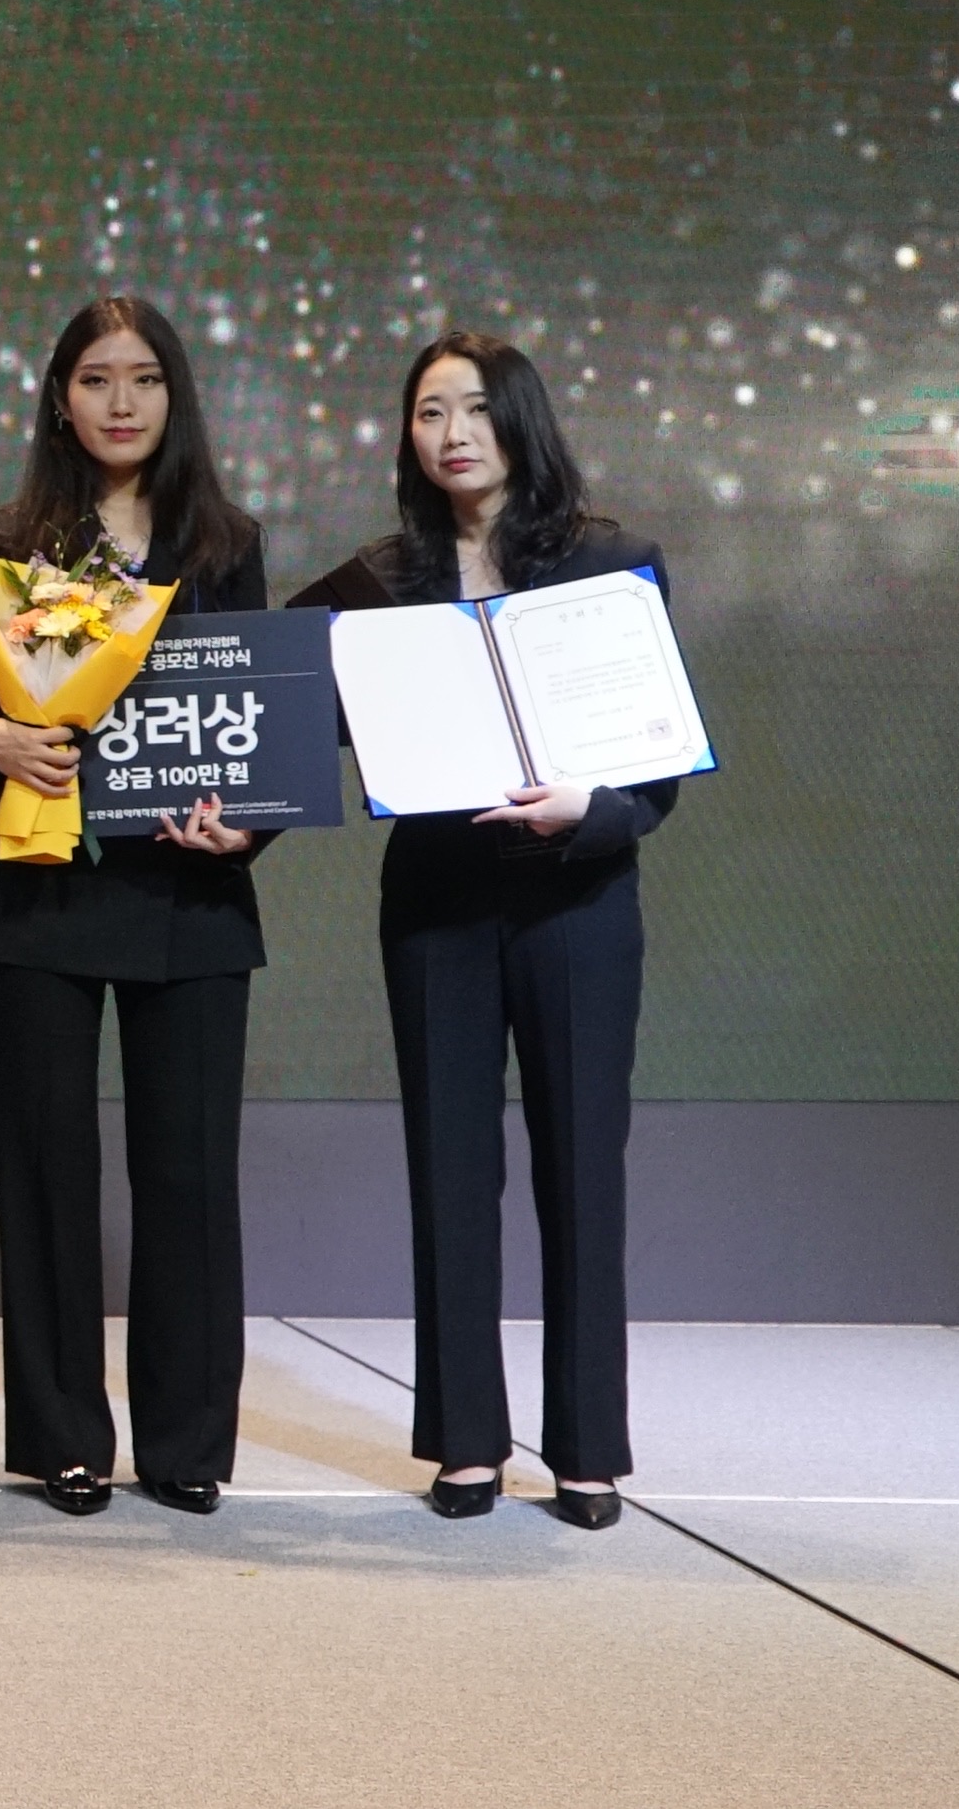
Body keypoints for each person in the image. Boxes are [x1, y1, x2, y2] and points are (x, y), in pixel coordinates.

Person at [333, 332, 679, 1532]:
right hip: (435, 900)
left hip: (577, 898)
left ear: (520, 420)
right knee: (449, 1170)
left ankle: (585, 1448)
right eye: (429, 411)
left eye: (475, 408)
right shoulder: (378, 581)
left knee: (581, 1166)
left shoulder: (611, 562)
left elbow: (657, 766)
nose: (452, 433)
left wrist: (593, 809)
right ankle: (466, 1439)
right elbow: (301, 713)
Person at [0, 299, 269, 1518]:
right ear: (59, 396)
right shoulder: (3, 537)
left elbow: (257, 725)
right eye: (95, 378)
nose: (120, 401)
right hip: (39, 886)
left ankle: (185, 1442)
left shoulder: (225, 542)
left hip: (189, 891)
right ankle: (62, 1437)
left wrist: (247, 824)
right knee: (42, 1168)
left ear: (174, 394)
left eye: (143, 378)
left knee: (189, 1174)